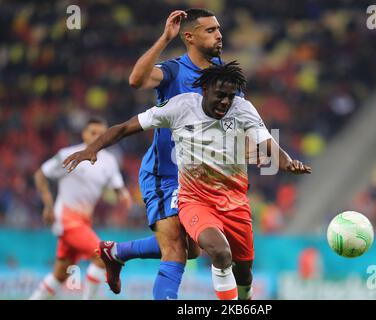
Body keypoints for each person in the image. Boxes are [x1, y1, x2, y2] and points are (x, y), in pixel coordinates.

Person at [63, 62, 312, 300]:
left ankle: (117, 252)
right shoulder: (181, 107)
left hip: (235, 203)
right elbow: (126, 127)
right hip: (195, 200)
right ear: (203, 89)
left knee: (242, 273)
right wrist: (92, 148)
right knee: (218, 253)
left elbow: (267, 142)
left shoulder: (243, 109)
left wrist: (286, 162)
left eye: (230, 96)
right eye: (220, 95)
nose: (225, 102)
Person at [98, 8, 229, 300]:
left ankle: (116, 252)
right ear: (189, 37)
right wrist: (163, 39)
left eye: (218, 28)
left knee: (192, 248)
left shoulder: (222, 73)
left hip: (196, 177)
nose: (219, 34)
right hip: (165, 174)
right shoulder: (173, 70)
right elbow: (136, 80)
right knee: (176, 250)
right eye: (210, 30)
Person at [29, 117, 131, 300]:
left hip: (84, 222)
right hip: (66, 219)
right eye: (93, 133)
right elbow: (40, 175)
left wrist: (123, 195)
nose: (98, 137)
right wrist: (48, 204)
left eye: (102, 133)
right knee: (103, 258)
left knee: (60, 275)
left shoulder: (109, 161)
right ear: (84, 134)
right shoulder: (69, 154)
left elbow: (117, 187)